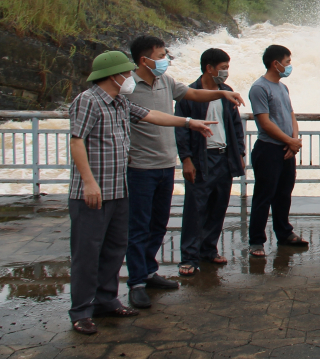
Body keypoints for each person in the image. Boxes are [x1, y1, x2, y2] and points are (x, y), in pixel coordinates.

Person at [68, 50, 217, 335]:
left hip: (119, 188)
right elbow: (77, 142)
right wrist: (88, 182)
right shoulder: (87, 101)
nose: (130, 77)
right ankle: (81, 312)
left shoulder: (120, 102)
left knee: (113, 249)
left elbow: (153, 116)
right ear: (114, 76)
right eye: (126, 73)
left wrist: (189, 123)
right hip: (93, 192)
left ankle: (106, 301)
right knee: (87, 253)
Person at [125, 35, 245, 309]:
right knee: (140, 226)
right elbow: (164, 119)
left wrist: (222, 92)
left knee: (158, 224)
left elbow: (193, 95)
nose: (166, 59)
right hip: (141, 167)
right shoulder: (127, 86)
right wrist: (189, 144)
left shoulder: (166, 82)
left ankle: (150, 272)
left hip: (167, 165)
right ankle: (137, 283)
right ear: (144, 59)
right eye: (161, 54)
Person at [174, 48, 247, 275]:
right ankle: (189, 257)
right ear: (209, 68)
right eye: (223, 68)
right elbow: (182, 130)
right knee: (196, 209)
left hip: (224, 157)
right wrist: (186, 159)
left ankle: (208, 250)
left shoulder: (227, 92)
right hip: (201, 158)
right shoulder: (189, 93)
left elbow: (235, 126)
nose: (226, 72)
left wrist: (241, 155)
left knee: (218, 206)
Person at [247, 44, 308, 257]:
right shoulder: (259, 88)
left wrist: (293, 140)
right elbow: (264, 122)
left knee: (283, 194)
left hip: (285, 148)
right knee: (264, 196)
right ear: (276, 63)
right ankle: (256, 241)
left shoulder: (282, 87)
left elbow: (291, 115)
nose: (289, 66)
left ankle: (284, 233)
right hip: (268, 150)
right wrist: (289, 142)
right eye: (287, 62)